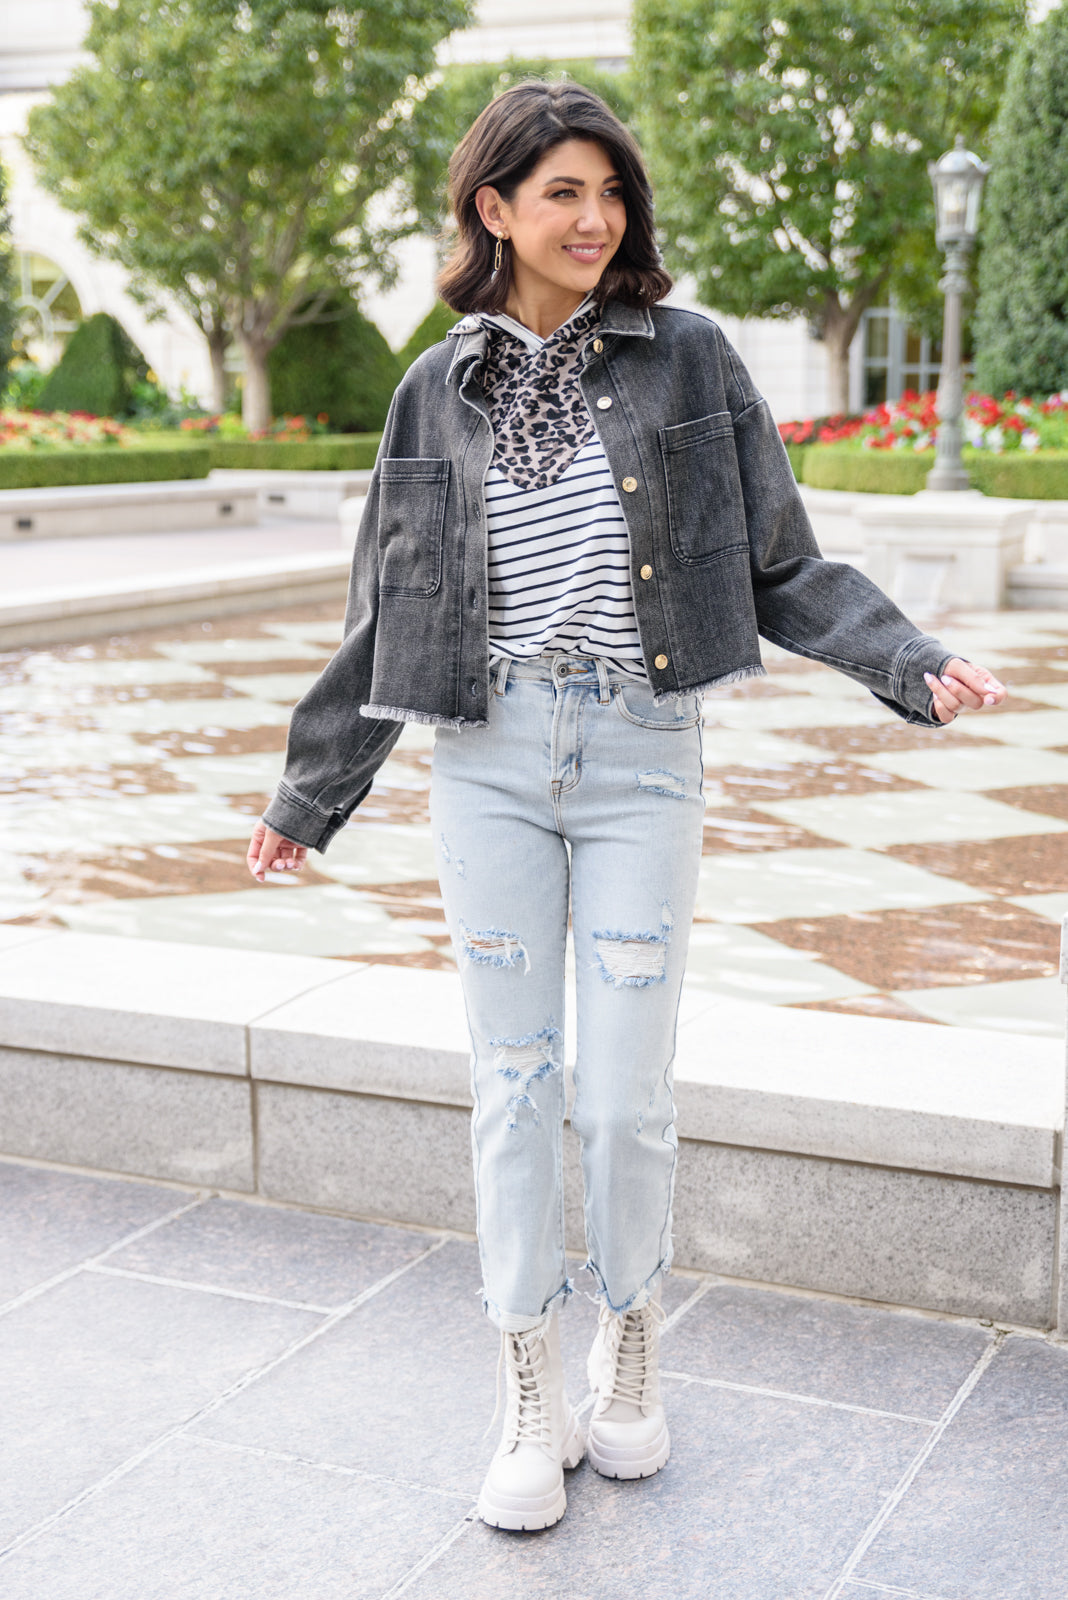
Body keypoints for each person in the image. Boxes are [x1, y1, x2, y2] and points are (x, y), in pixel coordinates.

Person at [246, 81, 1006, 1532]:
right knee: (514, 1084)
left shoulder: (690, 358)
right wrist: (313, 788)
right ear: (494, 209)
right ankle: (528, 1379)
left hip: (642, 753)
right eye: (563, 194)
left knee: (625, 1092)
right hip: (486, 759)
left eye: (610, 192)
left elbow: (781, 562)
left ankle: (632, 1333)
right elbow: (387, 608)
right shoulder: (433, 389)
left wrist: (903, 658)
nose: (594, 219)